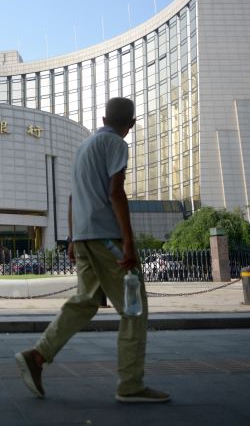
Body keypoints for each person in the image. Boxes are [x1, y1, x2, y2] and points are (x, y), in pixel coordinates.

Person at [15, 97, 170, 403]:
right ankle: (130, 384)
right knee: (134, 309)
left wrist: (73, 239)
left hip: (84, 237)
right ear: (132, 124)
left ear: (102, 118)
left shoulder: (84, 148)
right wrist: (128, 241)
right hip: (106, 237)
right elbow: (115, 191)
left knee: (85, 302)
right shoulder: (116, 144)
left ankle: (37, 356)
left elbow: (73, 198)